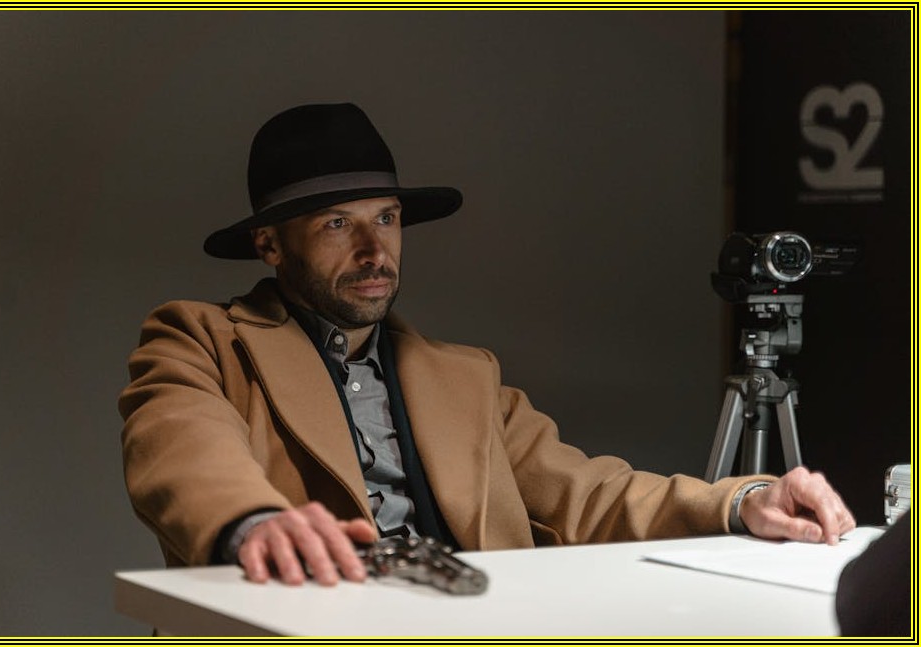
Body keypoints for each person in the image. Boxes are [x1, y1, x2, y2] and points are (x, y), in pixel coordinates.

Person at [119, 103, 855, 588]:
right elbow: (180, 447)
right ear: (269, 244)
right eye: (338, 224)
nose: (375, 250)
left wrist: (745, 500)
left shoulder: (464, 376)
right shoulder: (201, 340)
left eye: (386, 218)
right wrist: (254, 522)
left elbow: (591, 495)